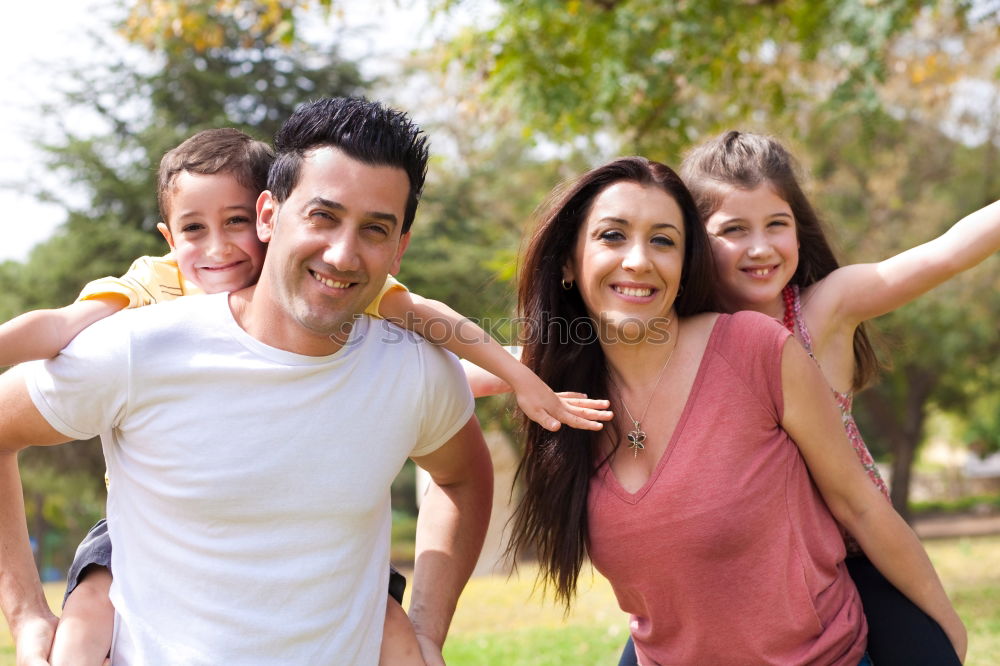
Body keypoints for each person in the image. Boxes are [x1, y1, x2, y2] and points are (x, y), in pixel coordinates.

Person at [1, 128, 608, 665]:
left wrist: (428, 627)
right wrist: (27, 614)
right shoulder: (134, 335)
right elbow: (43, 344)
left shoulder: (408, 360)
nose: (343, 253)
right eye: (322, 215)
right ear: (273, 213)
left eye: (375, 228)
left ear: (399, 247)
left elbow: (459, 465)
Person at [507, 156, 966, 665]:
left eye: (663, 240)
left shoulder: (755, 349)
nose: (638, 260)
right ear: (569, 262)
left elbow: (859, 503)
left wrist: (941, 631)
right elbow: (433, 380)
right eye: (612, 236)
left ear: (685, 267)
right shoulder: (551, 388)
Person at [677, 129, 1000, 664]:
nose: (761, 247)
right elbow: (562, 355)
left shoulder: (825, 311)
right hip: (745, 575)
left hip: (854, 552)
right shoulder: (681, 336)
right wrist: (493, 373)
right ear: (694, 241)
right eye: (734, 229)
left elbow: (944, 254)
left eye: (776, 224)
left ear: (798, 231)